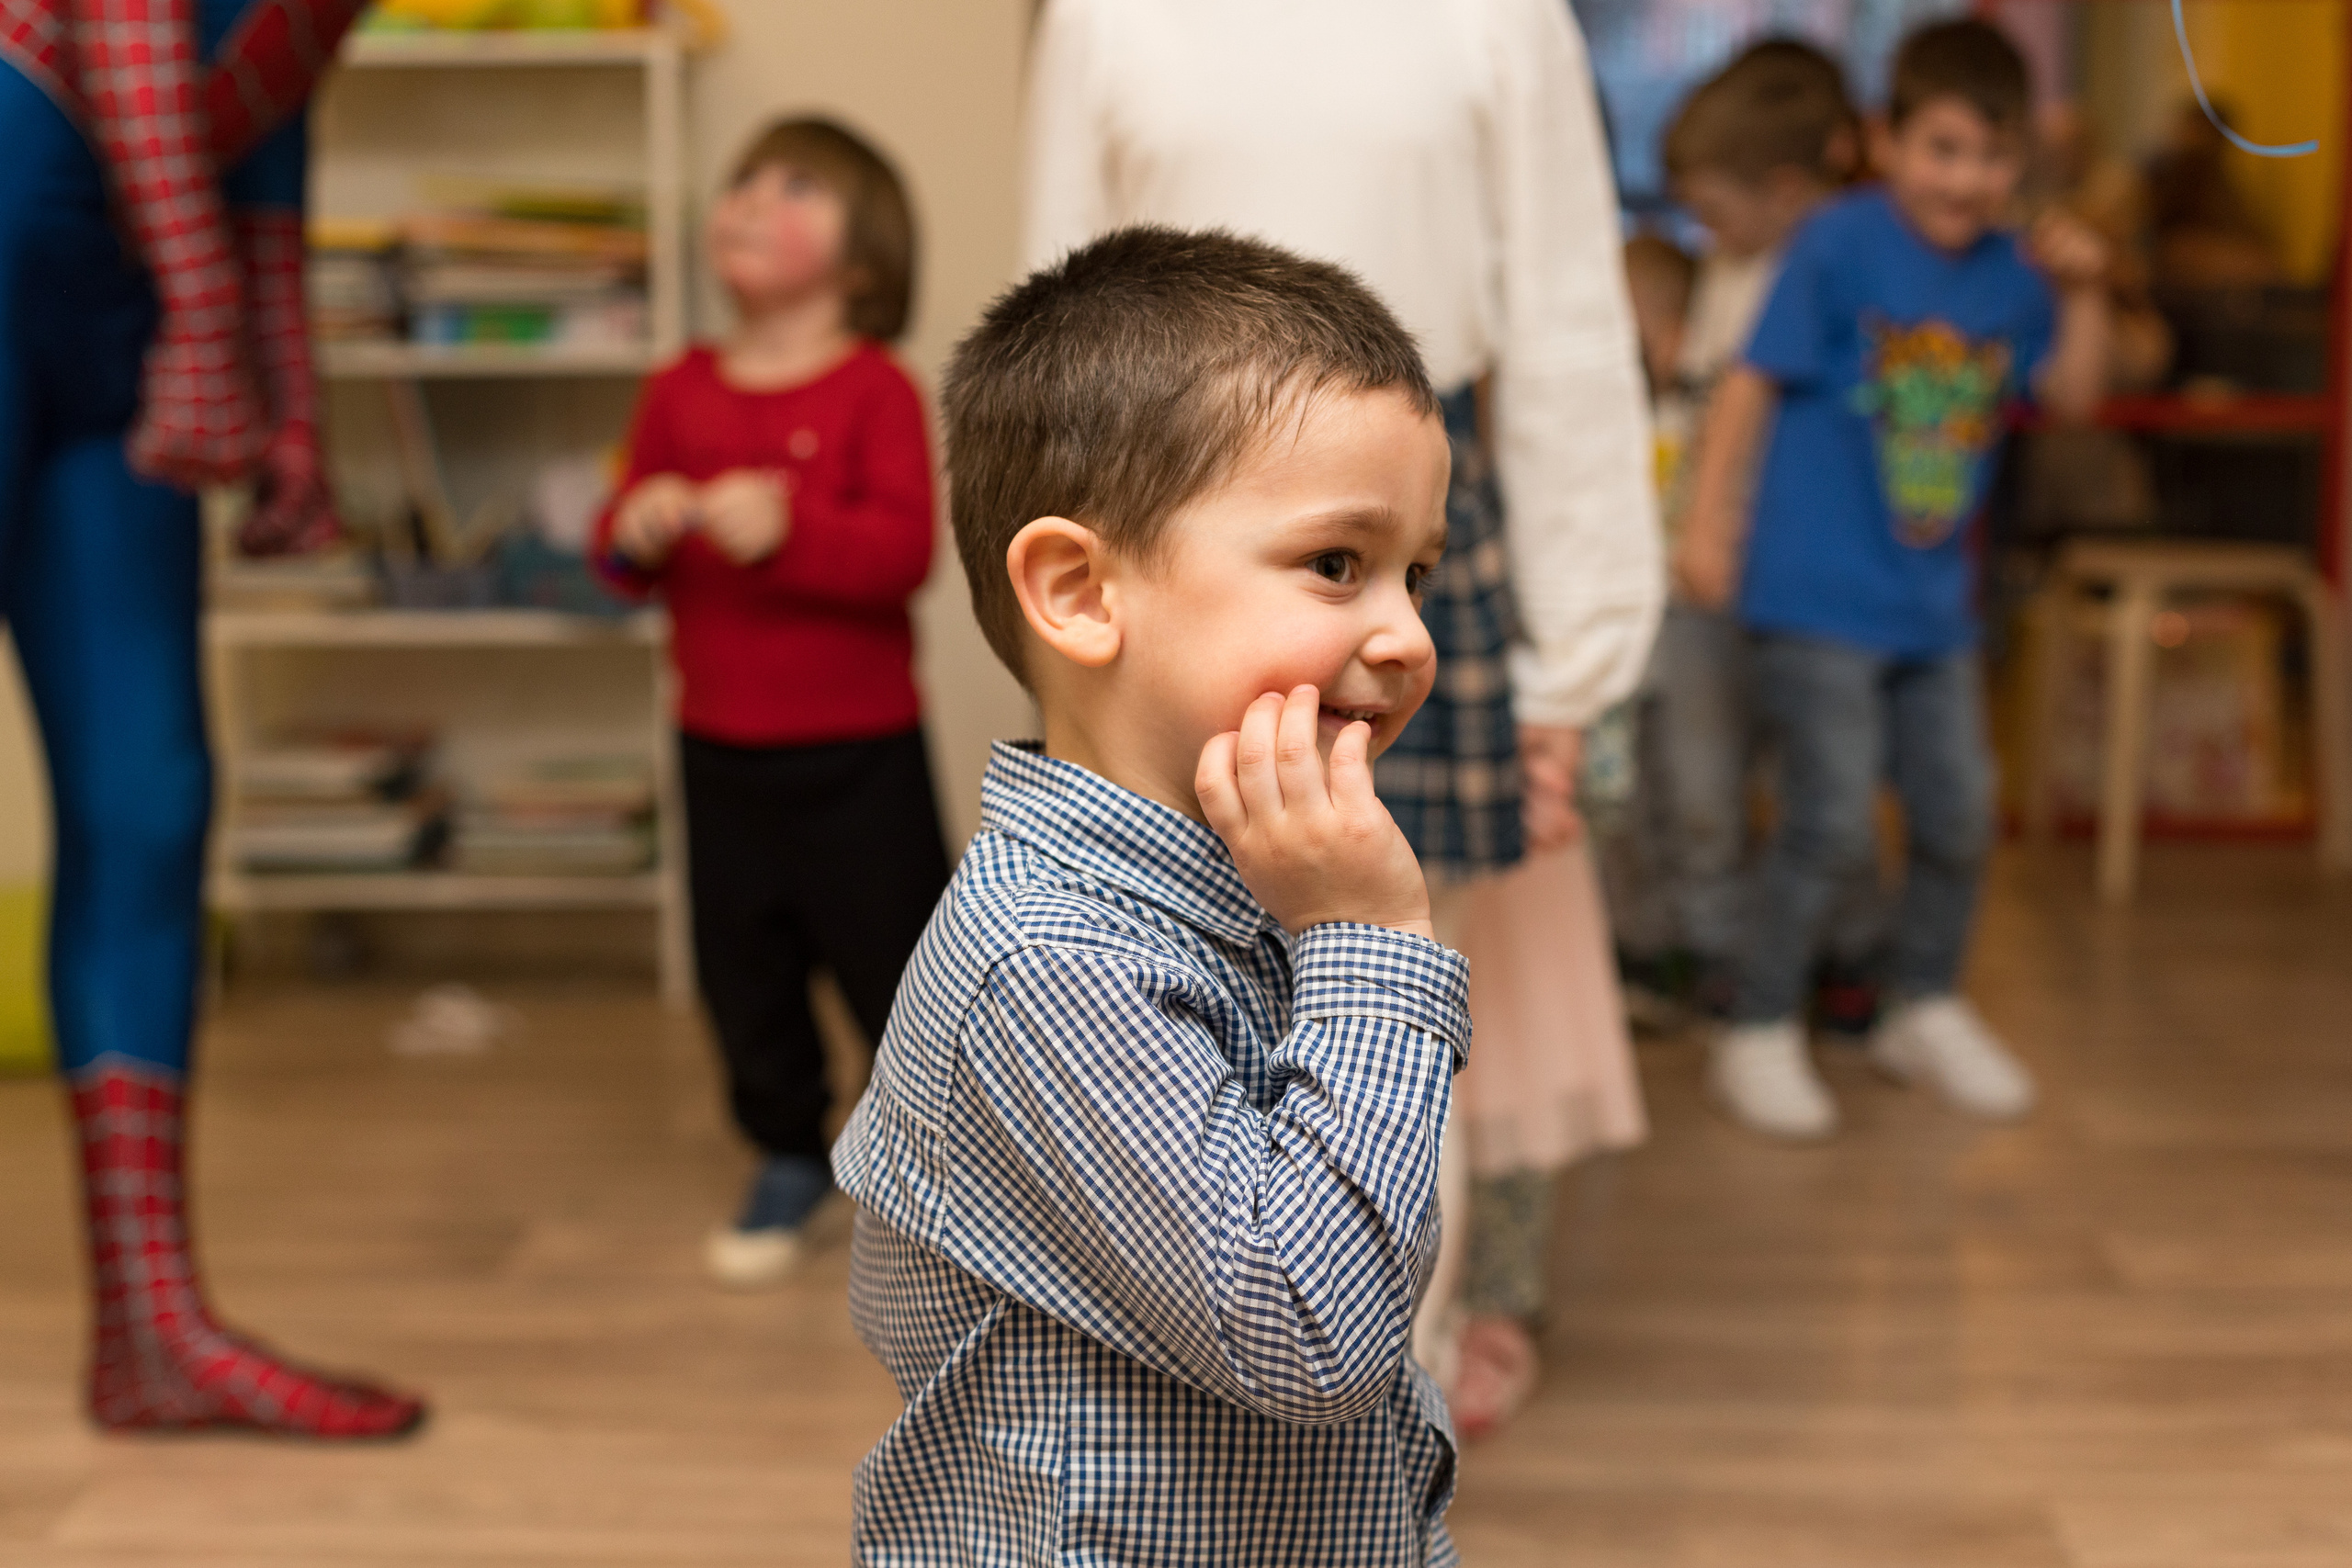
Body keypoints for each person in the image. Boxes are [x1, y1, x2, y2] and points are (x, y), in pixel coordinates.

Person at [1021, 0, 1662, 1438]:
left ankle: (1380, 1379)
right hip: (1177, 533)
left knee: (1391, 959)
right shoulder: (1101, 20)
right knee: (1179, 952)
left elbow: (1565, 317)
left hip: (1401, 516)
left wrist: (1577, 669)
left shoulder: (1502, 20)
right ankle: (1213, 1353)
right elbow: (1053, 306)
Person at [834, 227, 1468, 1563]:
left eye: (1419, 569)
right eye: (1338, 563)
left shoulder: (1260, 888)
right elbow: (1306, 1321)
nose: (1408, 632)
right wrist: (1370, 945)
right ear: (1078, 591)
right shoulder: (1048, 962)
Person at [1, 0, 424, 1437]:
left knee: (150, 803)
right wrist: (200, 320)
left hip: (106, 290)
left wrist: (287, 404)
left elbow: (262, 108)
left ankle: (150, 1329)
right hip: (29, 164)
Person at [1676, 18, 2109, 1139]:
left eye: (1991, 157)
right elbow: (1748, 386)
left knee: (1961, 812)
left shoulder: (2018, 278)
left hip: (1933, 607)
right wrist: (1711, 521)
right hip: (1813, 590)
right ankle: (1759, 1023)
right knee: (1829, 816)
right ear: (1886, 138)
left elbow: (2068, 400)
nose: (1965, 179)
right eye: (1942, 148)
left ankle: (1925, 1002)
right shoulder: (1833, 244)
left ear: (2022, 161)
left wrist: (2091, 292)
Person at [592, 118, 948, 1286]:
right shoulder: (678, 389)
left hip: (860, 757)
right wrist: (633, 530)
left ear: (863, 258)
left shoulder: (874, 392)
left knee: (901, 973)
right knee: (741, 969)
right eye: (742, 178)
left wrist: (796, 527)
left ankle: (937, 1176)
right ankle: (788, 1150)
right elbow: (612, 554)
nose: (750, 197)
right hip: (719, 750)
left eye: (795, 186)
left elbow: (904, 555)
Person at [1608, 40, 1873, 1030]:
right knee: (1698, 782)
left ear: (1789, 187)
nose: (1699, 227)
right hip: (1697, 578)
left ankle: (1844, 956)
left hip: (1797, 578)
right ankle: (1716, 957)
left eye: (1713, 205)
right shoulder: (1721, 271)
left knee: (1826, 781)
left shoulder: (1829, 274)